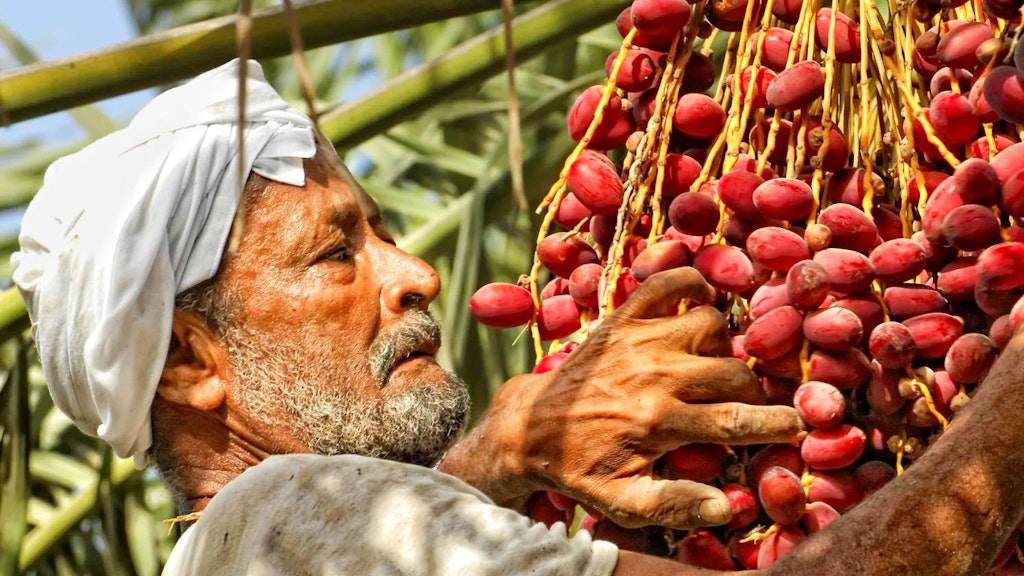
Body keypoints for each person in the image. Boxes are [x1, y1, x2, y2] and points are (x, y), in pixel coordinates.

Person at [10, 59, 1024, 575]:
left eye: (387, 231)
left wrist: (495, 457)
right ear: (191, 365)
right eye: (336, 254)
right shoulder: (284, 522)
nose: (416, 274)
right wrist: (1004, 425)